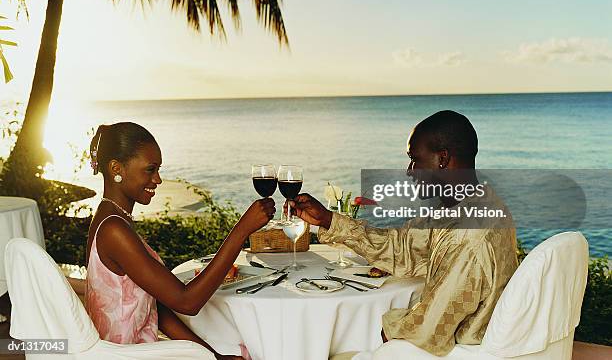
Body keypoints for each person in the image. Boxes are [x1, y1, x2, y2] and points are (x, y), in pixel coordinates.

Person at [289, 110, 518, 357]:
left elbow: (428, 331)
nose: (410, 170)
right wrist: (328, 219)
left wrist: (391, 328)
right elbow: (403, 247)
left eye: (414, 159)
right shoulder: (472, 203)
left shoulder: (468, 234)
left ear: (442, 158)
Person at [85, 122, 274, 360]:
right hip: (126, 355)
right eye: (150, 170)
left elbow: (157, 306)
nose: (158, 179)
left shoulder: (113, 218)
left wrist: (214, 356)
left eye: (159, 169)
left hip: (137, 348)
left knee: (234, 347)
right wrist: (241, 230)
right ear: (116, 168)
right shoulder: (113, 229)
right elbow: (187, 302)